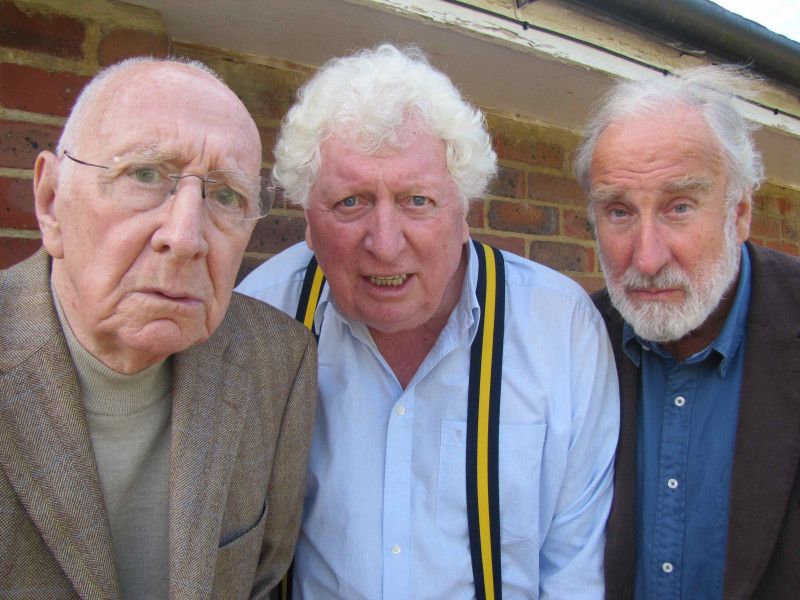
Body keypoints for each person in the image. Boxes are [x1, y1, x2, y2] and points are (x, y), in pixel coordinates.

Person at [237, 44, 619, 599]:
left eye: (417, 200)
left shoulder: (561, 330)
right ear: (306, 218)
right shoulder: (260, 315)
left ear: (464, 215)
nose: (385, 244)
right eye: (350, 202)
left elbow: (575, 574)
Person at [0, 57, 317, 599]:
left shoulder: (279, 362)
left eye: (225, 196)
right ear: (51, 202)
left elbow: (262, 579)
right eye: (144, 175)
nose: (186, 236)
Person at [573, 67, 800, 599]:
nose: (647, 258)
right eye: (619, 211)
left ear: (738, 212)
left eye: (679, 207)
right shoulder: (576, 339)